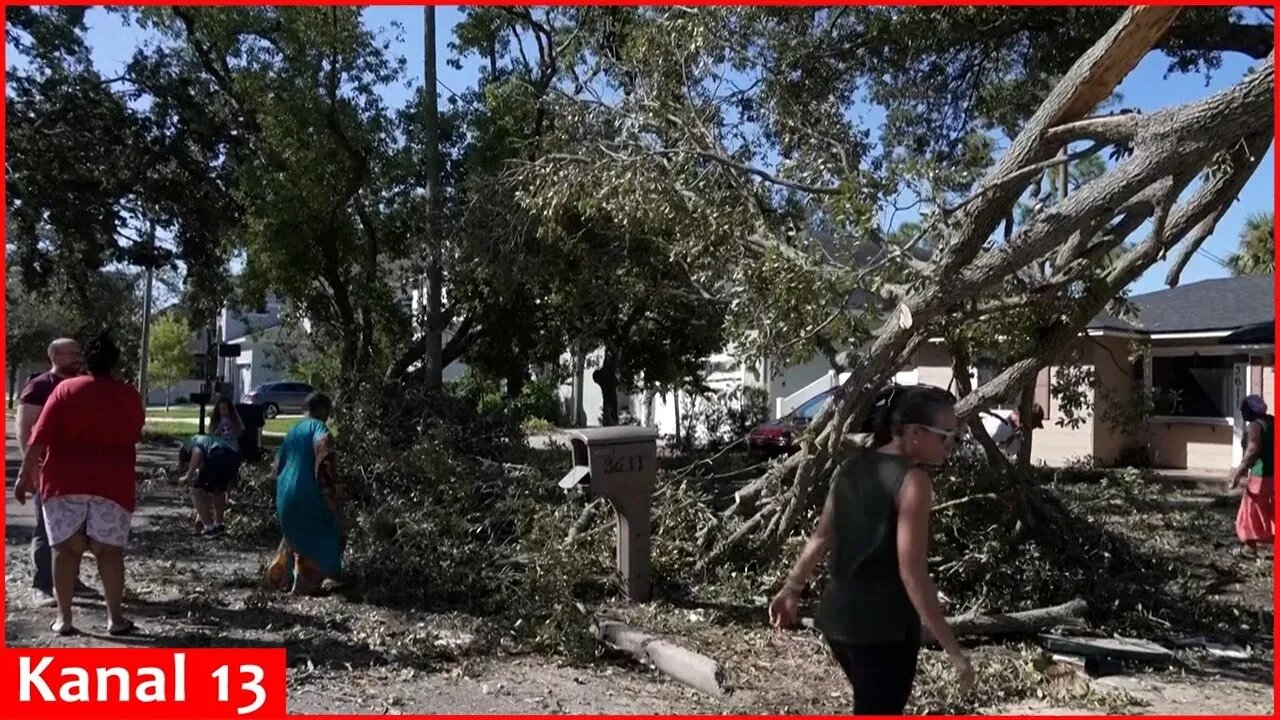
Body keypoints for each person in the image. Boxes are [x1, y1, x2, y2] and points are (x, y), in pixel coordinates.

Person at [769, 385, 974, 714]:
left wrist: (791, 589)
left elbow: (821, 538)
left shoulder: (852, 467)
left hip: (838, 625)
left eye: (955, 436)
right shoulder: (914, 482)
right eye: (944, 436)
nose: (951, 446)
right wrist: (953, 651)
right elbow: (913, 575)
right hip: (883, 632)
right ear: (913, 432)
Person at [14, 334, 145, 636]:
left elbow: (39, 436)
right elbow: (135, 432)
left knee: (65, 550)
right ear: (114, 364)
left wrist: (24, 476)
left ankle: (65, 619)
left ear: (87, 361)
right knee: (108, 551)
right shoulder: (128, 395)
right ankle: (115, 619)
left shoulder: (64, 390)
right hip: (112, 483)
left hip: (63, 483)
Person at [15, 338, 97, 608]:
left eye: (78, 352)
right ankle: (42, 585)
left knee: (77, 530)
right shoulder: (39, 387)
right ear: (54, 356)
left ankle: (71, 580)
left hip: (78, 471)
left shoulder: (83, 383)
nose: (77, 357)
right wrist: (32, 470)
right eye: (71, 353)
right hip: (48, 471)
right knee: (45, 528)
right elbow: (26, 430)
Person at [266, 392, 343, 595]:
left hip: (285, 493)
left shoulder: (293, 431)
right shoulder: (319, 427)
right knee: (327, 533)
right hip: (308, 494)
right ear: (323, 410)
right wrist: (331, 488)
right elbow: (325, 453)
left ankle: (284, 576)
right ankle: (304, 583)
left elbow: (275, 466)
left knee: (295, 535)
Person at [1231, 394, 1274, 557]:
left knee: (1250, 512)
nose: (1242, 413)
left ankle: (1249, 547)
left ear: (1251, 411)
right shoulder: (1273, 422)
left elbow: (1252, 451)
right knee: (1272, 511)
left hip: (1261, 477)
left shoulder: (1255, 426)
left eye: (1244, 410)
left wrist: (1238, 472)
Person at [178, 433, 243, 538]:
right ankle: (219, 525)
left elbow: (197, 453)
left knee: (196, 490)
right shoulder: (207, 440)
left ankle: (209, 529)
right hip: (233, 457)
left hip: (217, 455)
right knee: (219, 490)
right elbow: (228, 479)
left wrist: (188, 475)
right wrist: (229, 491)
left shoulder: (189, 442)